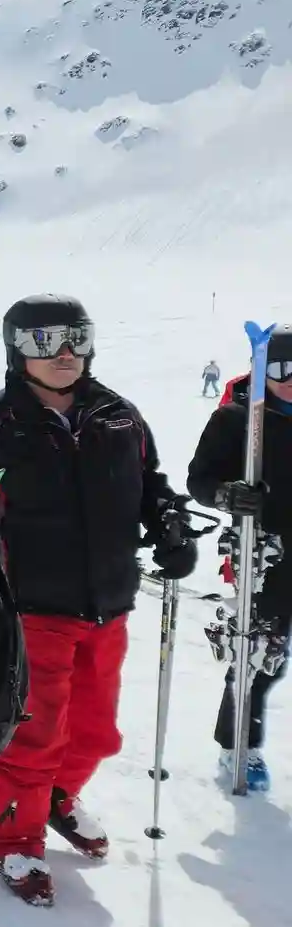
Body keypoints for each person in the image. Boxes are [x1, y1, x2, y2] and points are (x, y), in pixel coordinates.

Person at [0, 295, 192, 905]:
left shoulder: (117, 415)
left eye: (76, 337)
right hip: (33, 608)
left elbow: (151, 485)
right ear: (17, 350)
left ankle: (57, 800)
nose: (64, 353)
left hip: (107, 604)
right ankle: (13, 839)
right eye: (45, 341)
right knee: (34, 736)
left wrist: (169, 522)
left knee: (95, 734)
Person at [189, 328, 292, 793]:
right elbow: (200, 479)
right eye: (279, 369)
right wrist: (226, 494)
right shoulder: (239, 418)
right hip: (267, 552)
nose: (289, 380)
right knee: (257, 653)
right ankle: (238, 742)